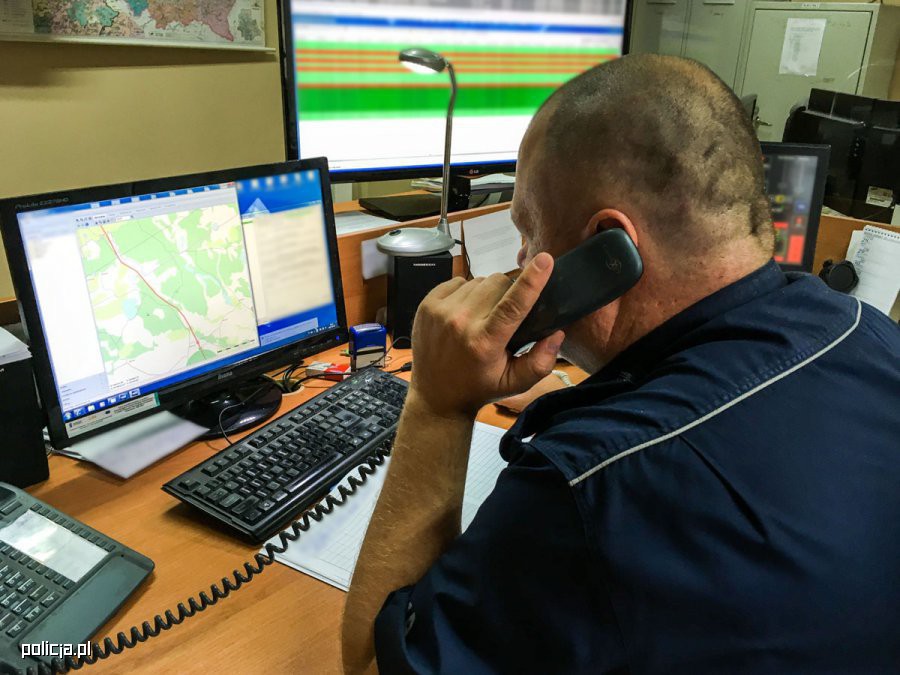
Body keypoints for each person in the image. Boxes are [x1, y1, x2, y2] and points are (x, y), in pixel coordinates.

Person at [340, 54, 900, 673]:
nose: (520, 261)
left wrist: (437, 405)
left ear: (608, 251)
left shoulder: (589, 485)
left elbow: (370, 665)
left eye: (528, 232)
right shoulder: (867, 332)